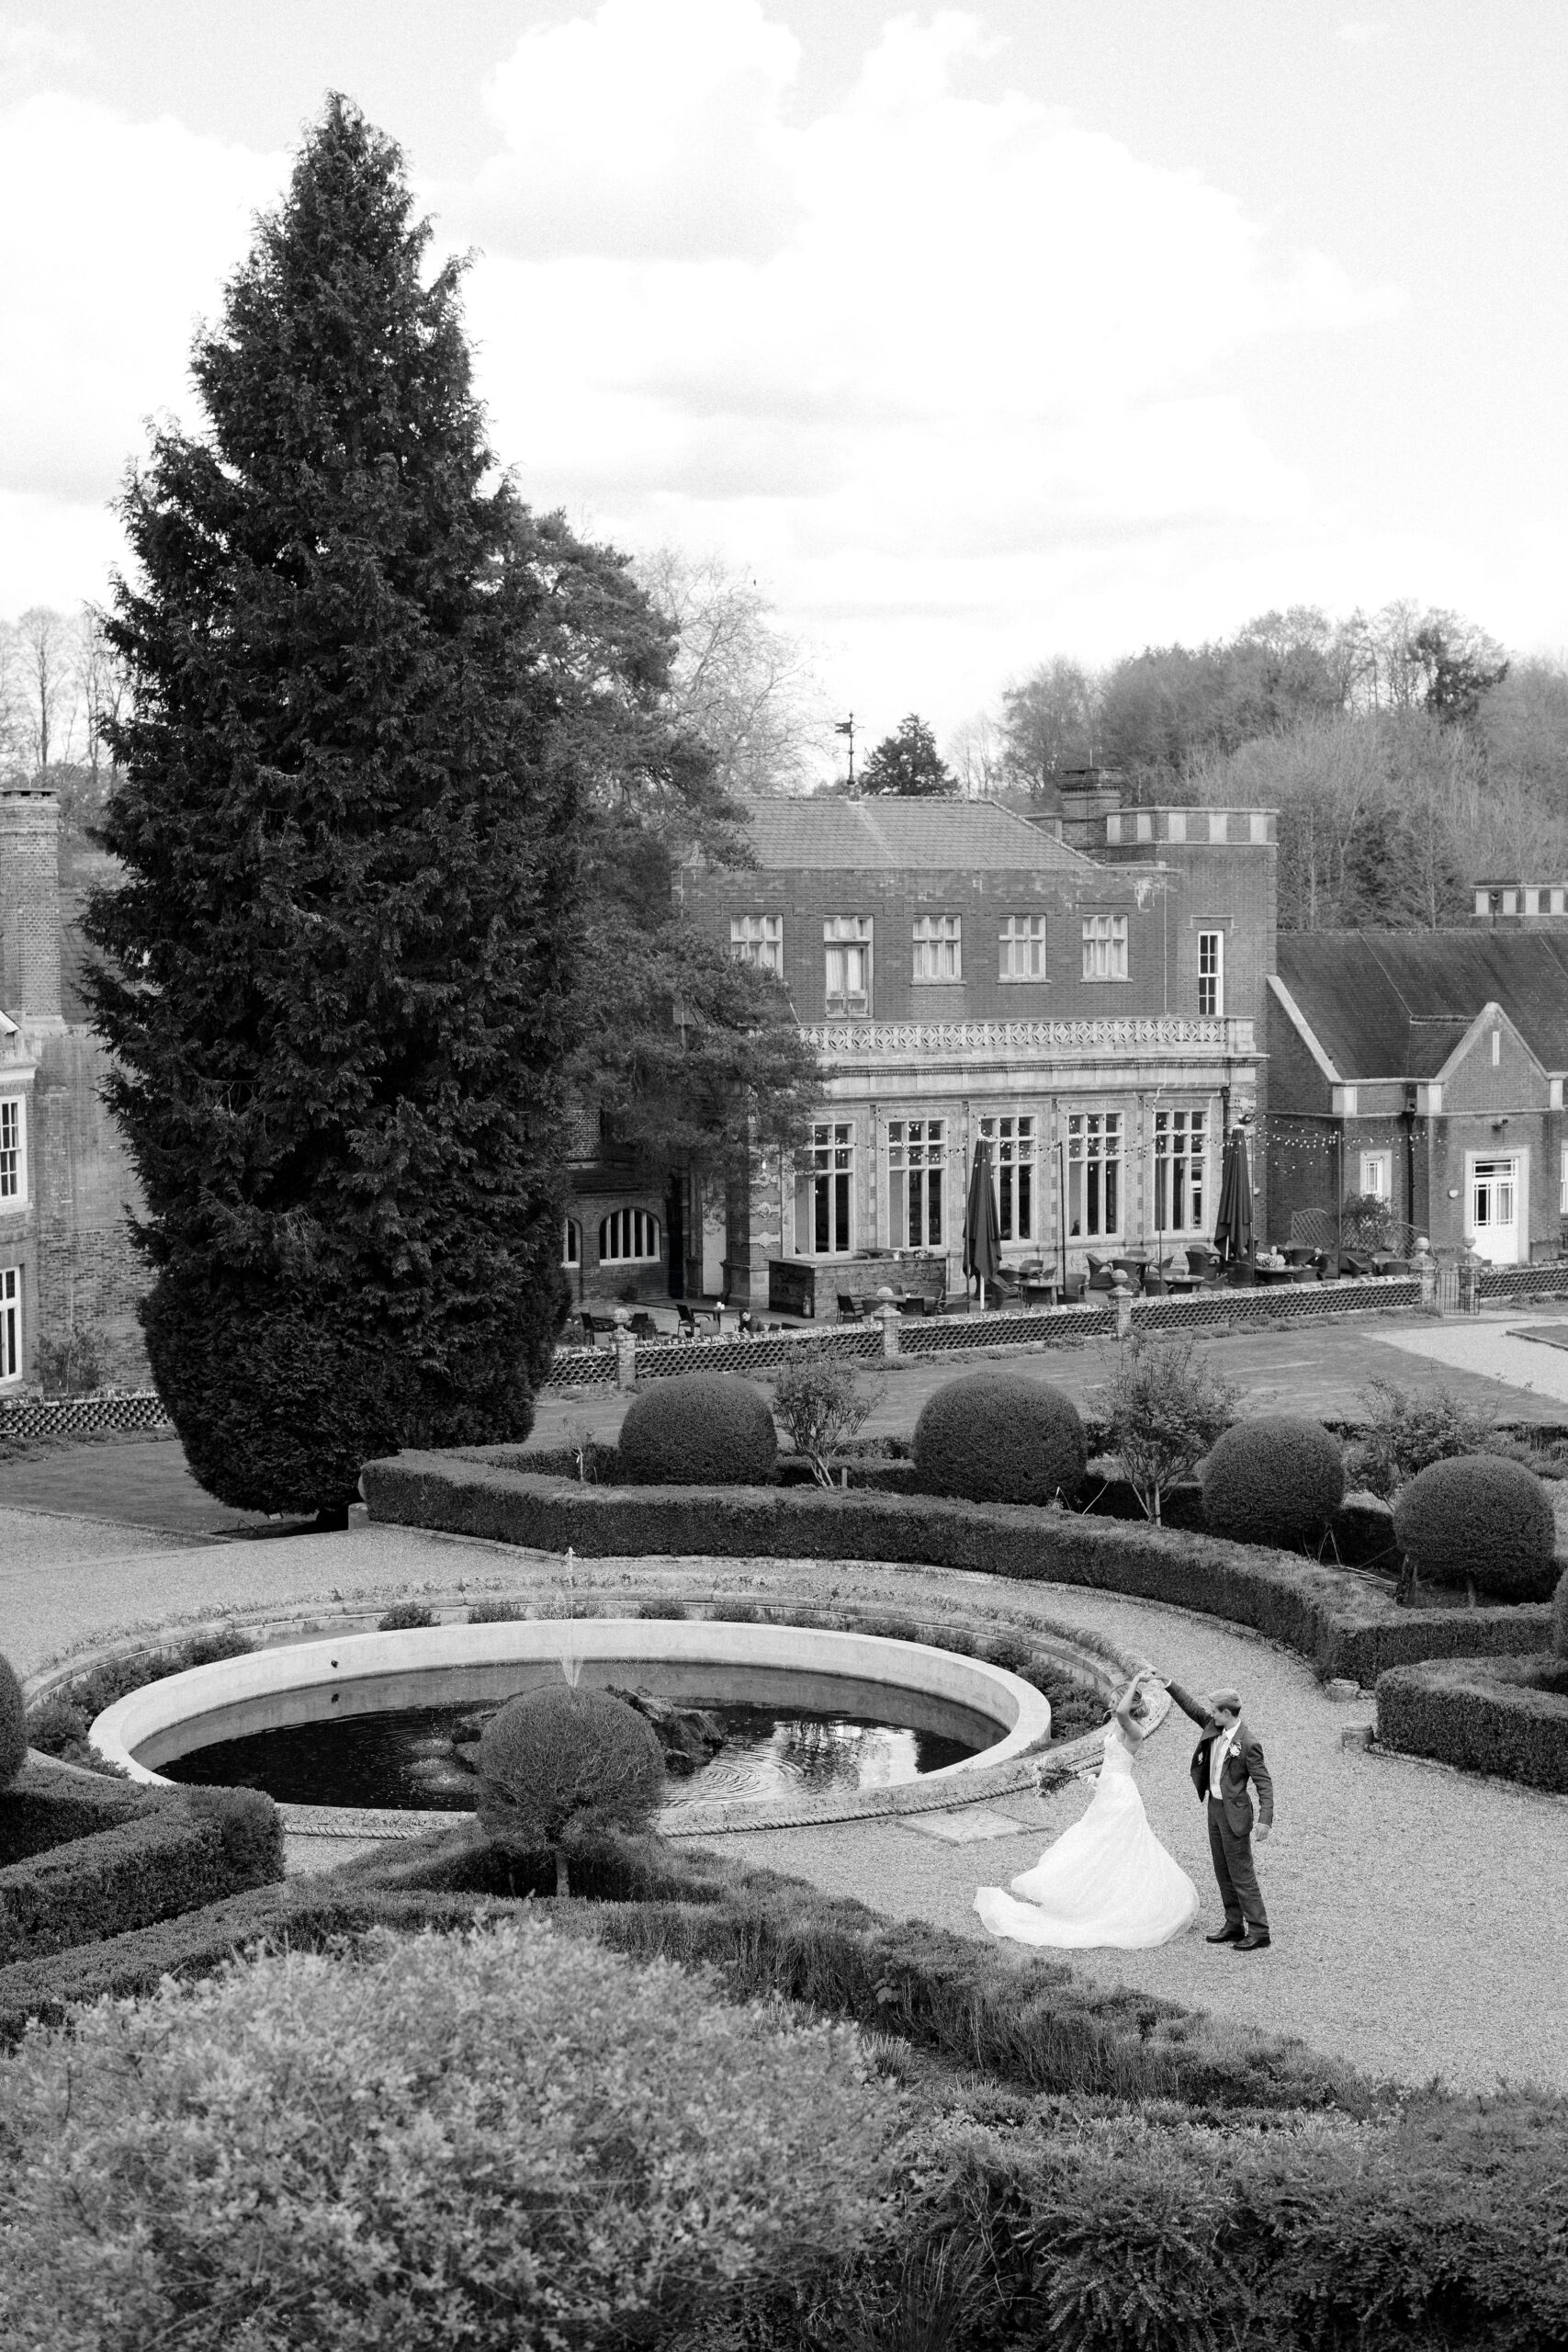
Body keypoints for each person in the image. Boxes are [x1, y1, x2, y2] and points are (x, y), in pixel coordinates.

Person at [973, 1670, 1200, 1950]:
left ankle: (1117, 1903)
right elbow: (1115, 1760)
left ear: (1128, 1705)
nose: (1111, 1706)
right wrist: (1087, 1771)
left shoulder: (1133, 1729)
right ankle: (1102, 1895)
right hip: (1109, 1787)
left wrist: (1138, 1678)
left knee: (1112, 1845)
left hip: (1120, 1795)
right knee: (1100, 1844)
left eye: (1116, 1701)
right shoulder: (1121, 1728)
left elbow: (1120, 1715)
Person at [1150, 1675, 1274, 1952]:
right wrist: (1169, 1684)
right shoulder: (1214, 1727)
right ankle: (1234, 1924)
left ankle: (1259, 1930)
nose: (1210, 1715)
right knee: (1222, 1870)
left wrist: (1265, 1820)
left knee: (1242, 1873)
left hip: (1235, 1814)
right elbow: (1192, 1708)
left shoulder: (1248, 1743)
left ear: (1227, 1713)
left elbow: (1264, 1783)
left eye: (1215, 1711)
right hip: (1215, 1808)